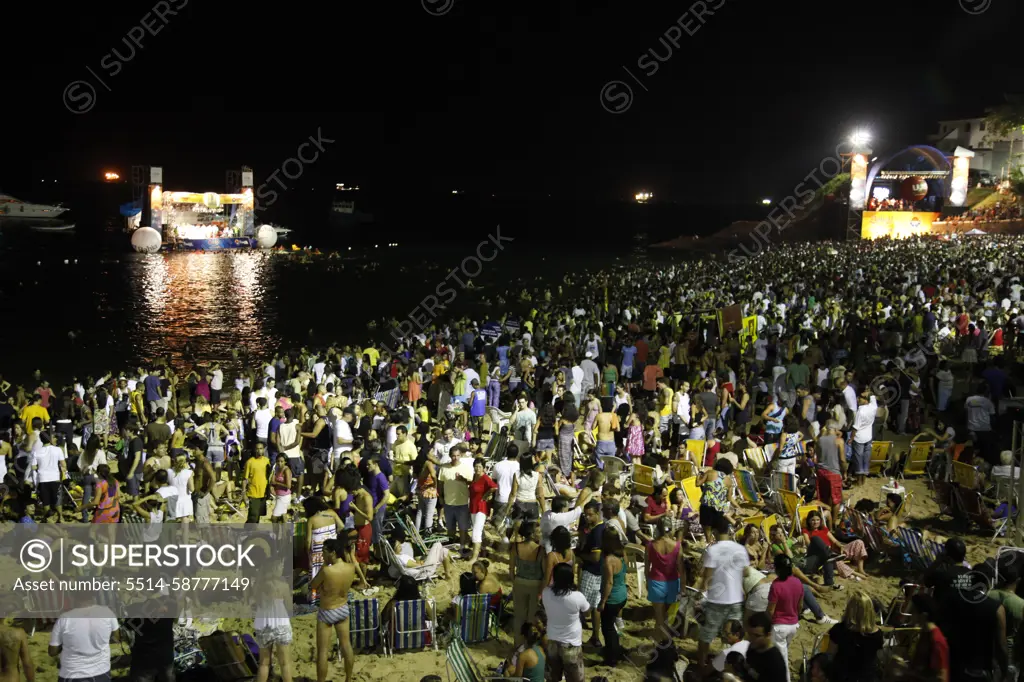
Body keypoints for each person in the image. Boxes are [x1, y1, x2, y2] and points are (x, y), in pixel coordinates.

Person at [697, 517, 750, 672]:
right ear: (728, 530)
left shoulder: (713, 550)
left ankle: (701, 664)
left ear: (714, 531)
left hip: (717, 600)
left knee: (707, 635)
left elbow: (707, 577)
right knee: (735, 634)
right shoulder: (739, 549)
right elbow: (746, 572)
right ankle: (737, 665)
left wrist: (699, 593)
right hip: (736, 599)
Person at [309, 538, 356, 682]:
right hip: (343, 608)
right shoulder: (351, 567)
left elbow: (313, 585)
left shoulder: (327, 570)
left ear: (333, 553)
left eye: (324, 552)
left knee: (323, 651)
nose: (322, 555)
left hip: (327, 610)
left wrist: (324, 566)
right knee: (346, 646)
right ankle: (348, 678)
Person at [47, 592, 119, 682]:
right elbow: (116, 638)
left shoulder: (64, 618)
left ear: (73, 597)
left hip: (72, 674)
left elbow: (52, 652)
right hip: (101, 672)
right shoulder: (107, 612)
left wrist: (66, 643)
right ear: (93, 596)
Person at [541, 562, 591, 682]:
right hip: (571, 644)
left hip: (552, 640)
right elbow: (587, 612)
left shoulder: (546, 593)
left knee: (552, 678)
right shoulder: (577, 597)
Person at [826, 591, 883, 682]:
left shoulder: (839, 629)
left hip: (842, 675)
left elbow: (830, 654)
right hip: (866, 676)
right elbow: (877, 656)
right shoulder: (877, 633)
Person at [645, 517, 685, 644]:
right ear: (671, 528)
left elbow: (647, 567)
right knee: (667, 616)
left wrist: (647, 582)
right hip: (673, 582)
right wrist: (683, 587)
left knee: (659, 617)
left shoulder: (651, 545)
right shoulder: (677, 546)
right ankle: (665, 643)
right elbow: (681, 569)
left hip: (656, 582)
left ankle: (662, 643)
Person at [509, 521, 546, 647]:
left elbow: (511, 569)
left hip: (520, 582)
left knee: (519, 616)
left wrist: (515, 581)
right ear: (532, 533)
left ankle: (518, 644)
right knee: (532, 616)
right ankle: (530, 644)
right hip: (536, 584)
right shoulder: (540, 550)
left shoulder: (516, 547)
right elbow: (544, 572)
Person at [767, 555, 802, 681]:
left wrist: (766, 624)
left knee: (782, 660)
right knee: (782, 653)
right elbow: (800, 605)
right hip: (793, 625)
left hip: (779, 626)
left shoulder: (776, 585)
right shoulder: (798, 582)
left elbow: (770, 610)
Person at [577, 500, 606, 648]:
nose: (587, 518)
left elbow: (594, 557)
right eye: (585, 515)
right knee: (595, 606)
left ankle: (591, 635)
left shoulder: (596, 533)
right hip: (600, 573)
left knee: (584, 606)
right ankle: (595, 636)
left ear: (597, 513)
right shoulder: (600, 528)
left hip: (592, 573)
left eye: (590, 515)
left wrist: (581, 556)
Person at [599, 530, 629, 666]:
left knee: (607, 628)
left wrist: (603, 601)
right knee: (612, 626)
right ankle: (617, 650)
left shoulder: (608, 560)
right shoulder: (622, 554)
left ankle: (612, 658)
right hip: (622, 594)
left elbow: (609, 582)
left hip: (613, 598)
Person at [438, 444, 474, 551]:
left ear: (460, 456)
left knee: (463, 528)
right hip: (448, 503)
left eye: (458, 455)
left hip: (462, 502)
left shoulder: (466, 468)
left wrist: (463, 479)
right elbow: (440, 483)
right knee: (450, 527)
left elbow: (471, 482)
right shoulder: (444, 467)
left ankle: (462, 546)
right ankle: (451, 543)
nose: (456, 458)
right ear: (450, 456)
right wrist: (440, 496)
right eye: (453, 456)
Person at [909, 593, 950, 682]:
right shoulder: (925, 633)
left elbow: (941, 678)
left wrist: (906, 672)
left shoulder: (936, 640)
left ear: (923, 616)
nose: (910, 614)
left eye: (912, 611)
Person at [697, 459, 736, 543]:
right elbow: (729, 498)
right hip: (719, 509)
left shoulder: (710, 472)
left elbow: (698, 484)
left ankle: (710, 546)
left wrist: (698, 475)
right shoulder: (729, 481)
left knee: (708, 534)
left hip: (706, 506)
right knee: (719, 535)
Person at [468, 457, 498, 564]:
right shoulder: (474, 477)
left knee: (476, 532)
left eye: (480, 467)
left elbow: (494, 487)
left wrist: (486, 495)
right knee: (479, 531)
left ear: (484, 468)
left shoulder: (485, 478)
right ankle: (484, 549)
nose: (477, 469)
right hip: (473, 507)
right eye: (476, 466)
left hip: (482, 507)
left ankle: (474, 557)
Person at [745, 611, 789, 682]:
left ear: (768, 635)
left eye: (757, 636)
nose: (751, 639)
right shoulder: (753, 648)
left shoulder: (775, 661)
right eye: (750, 634)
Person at [243, 442, 271, 524]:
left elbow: (269, 476)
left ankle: (253, 534)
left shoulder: (267, 461)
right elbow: (245, 479)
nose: (259, 450)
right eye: (257, 448)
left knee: (258, 516)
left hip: (263, 494)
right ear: (255, 450)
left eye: (261, 448)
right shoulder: (250, 462)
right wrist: (244, 493)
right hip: (253, 494)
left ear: (263, 450)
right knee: (253, 516)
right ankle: (247, 533)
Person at [269, 453, 293, 523]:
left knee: (274, 517)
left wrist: (276, 483)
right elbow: (272, 480)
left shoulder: (286, 470)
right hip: (279, 495)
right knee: (283, 516)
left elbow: (288, 486)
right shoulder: (277, 469)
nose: (279, 463)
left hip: (284, 496)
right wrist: (272, 487)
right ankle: (286, 533)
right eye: (278, 461)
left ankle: (275, 533)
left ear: (285, 461)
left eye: (281, 461)